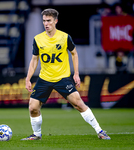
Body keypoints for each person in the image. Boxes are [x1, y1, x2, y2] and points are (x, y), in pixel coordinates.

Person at [21, 8, 110, 140]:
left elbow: (74, 53)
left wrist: (76, 74)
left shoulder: (64, 37)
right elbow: (34, 60)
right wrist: (28, 78)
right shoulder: (38, 39)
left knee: (78, 103)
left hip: (62, 78)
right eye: (44, 21)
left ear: (56, 21)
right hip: (44, 78)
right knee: (33, 107)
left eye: (49, 21)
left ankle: (100, 131)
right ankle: (37, 134)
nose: (46, 24)